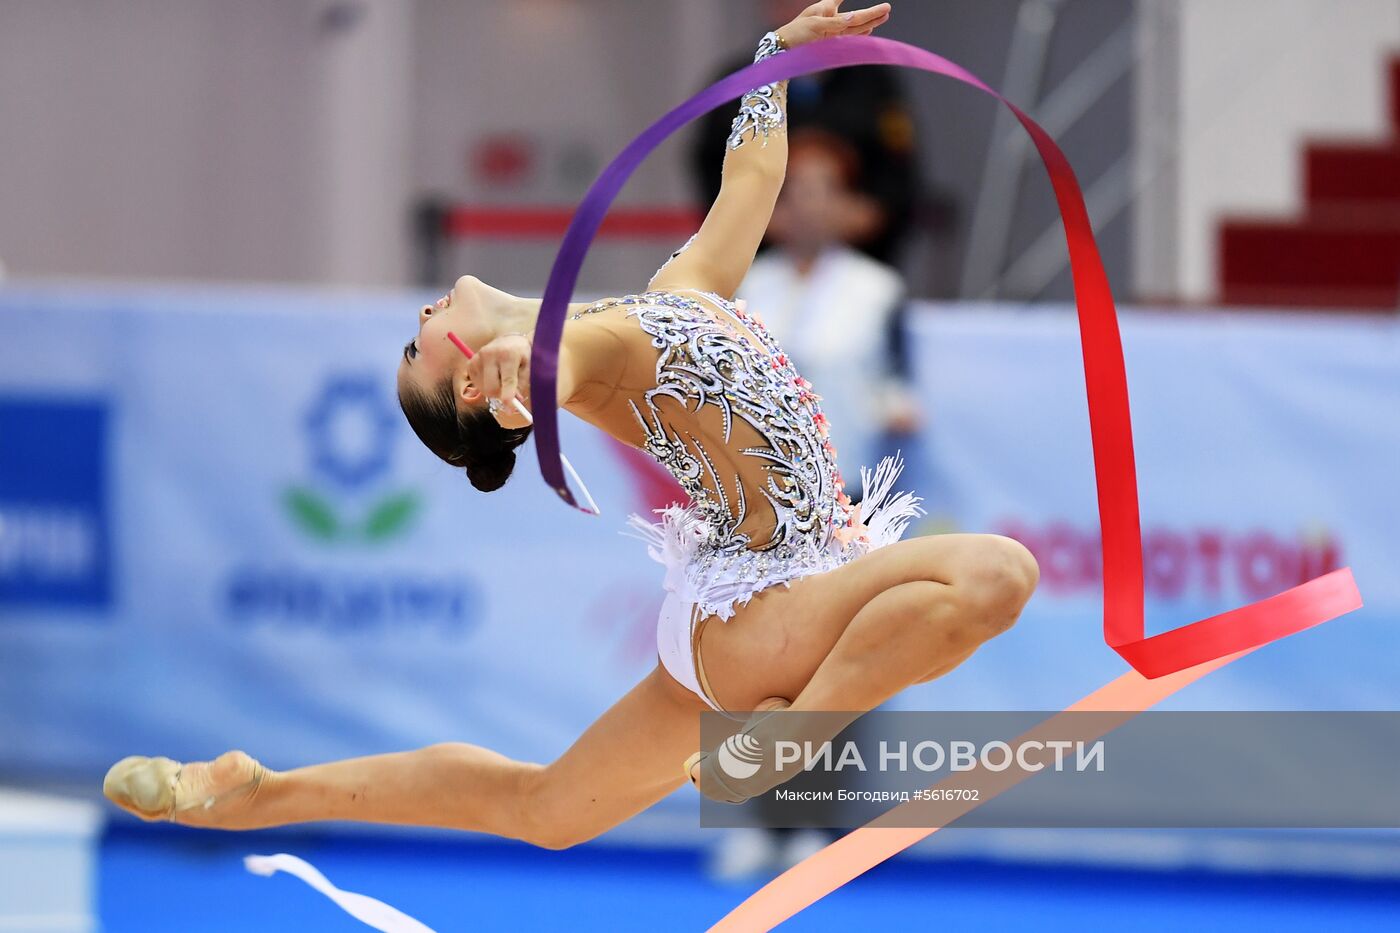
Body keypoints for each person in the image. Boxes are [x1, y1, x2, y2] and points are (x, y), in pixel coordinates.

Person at [103, 2, 1036, 852]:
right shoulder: (577, 357)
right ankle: (791, 740)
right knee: (996, 571)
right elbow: (560, 377)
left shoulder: (671, 297)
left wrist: (775, 62)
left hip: (747, 614)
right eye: (415, 349)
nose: (421, 319)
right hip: (767, 611)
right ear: (470, 386)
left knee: (545, 810)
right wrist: (529, 377)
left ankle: (257, 793)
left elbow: (750, 182)